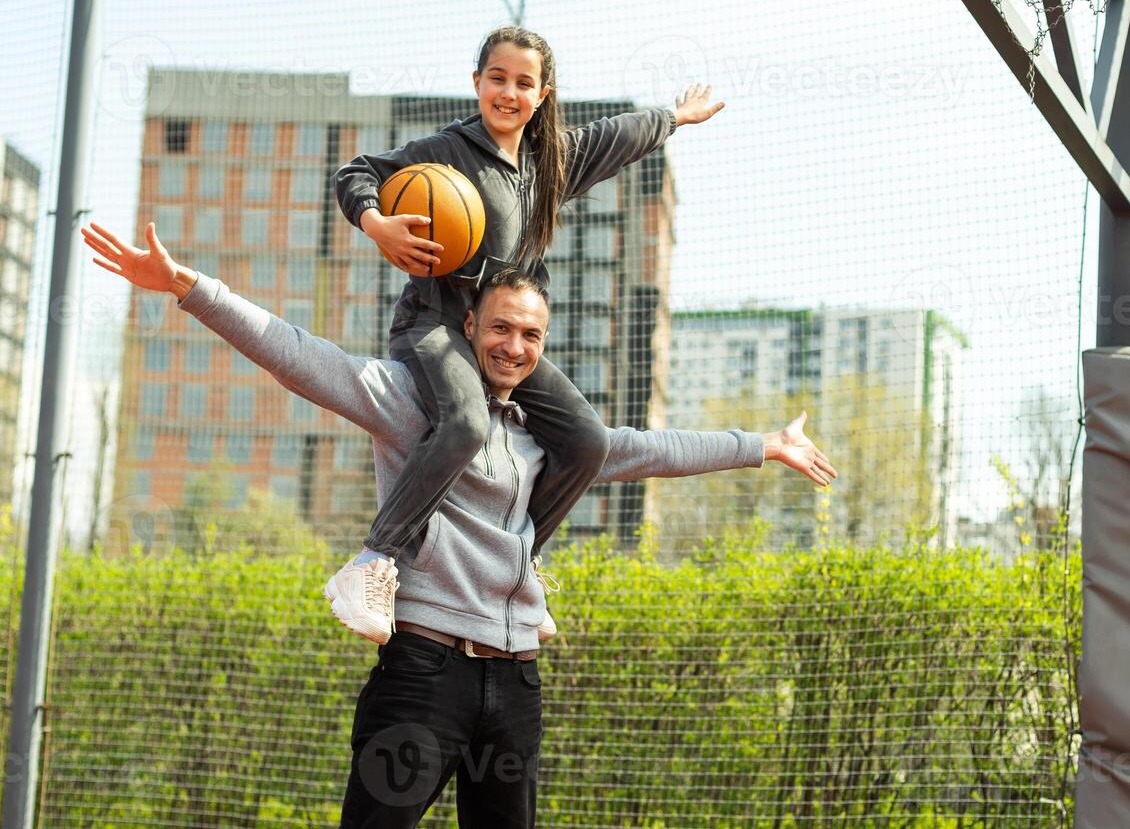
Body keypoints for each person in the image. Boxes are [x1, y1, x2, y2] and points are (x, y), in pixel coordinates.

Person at [82, 220, 835, 827]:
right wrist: (188, 286)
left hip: (514, 685)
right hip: (423, 674)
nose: (514, 347)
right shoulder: (413, 405)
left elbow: (647, 448)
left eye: (531, 338)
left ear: (543, 351)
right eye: (502, 328)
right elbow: (301, 358)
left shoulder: (554, 442)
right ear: (470, 324)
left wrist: (761, 445)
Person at [331, 25, 725, 642]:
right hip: (435, 322)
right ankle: (374, 560)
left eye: (523, 82)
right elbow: (357, 173)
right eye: (498, 78)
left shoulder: (548, 164)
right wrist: (378, 223)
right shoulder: (448, 152)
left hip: (503, 335)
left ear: (542, 95)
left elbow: (615, 136)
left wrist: (675, 116)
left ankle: (516, 561)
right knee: (464, 424)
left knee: (588, 442)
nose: (509, 92)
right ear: (477, 83)